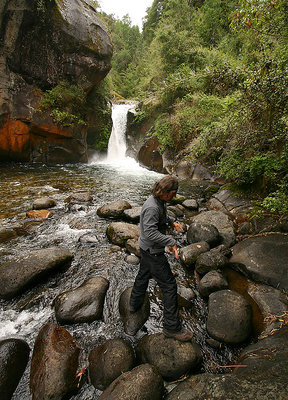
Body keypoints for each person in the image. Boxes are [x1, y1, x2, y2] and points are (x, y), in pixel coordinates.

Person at [129, 175, 193, 342]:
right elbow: (150, 232)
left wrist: (172, 222)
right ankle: (172, 328)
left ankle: (133, 304)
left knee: (143, 275)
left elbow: (161, 216)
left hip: (146, 249)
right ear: (165, 192)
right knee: (169, 286)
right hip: (153, 252)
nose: (174, 196)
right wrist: (170, 241)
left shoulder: (158, 201)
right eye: (173, 193)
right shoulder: (152, 207)